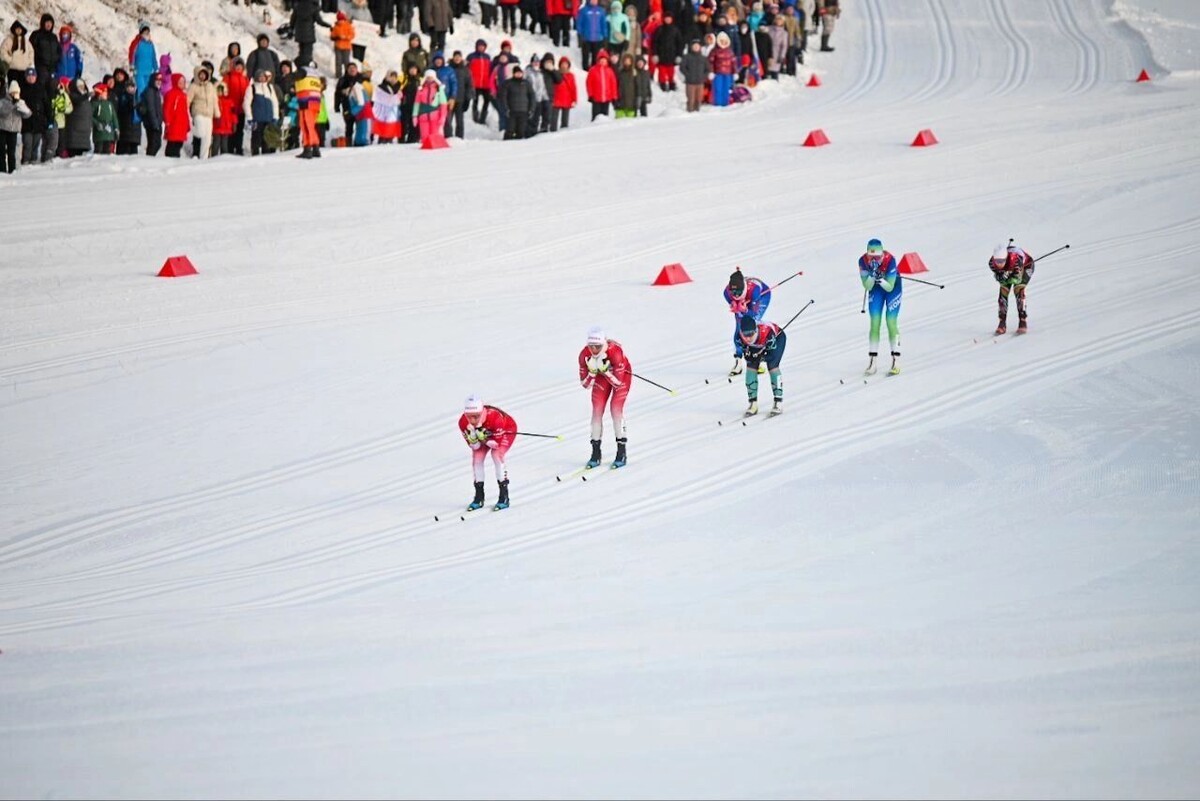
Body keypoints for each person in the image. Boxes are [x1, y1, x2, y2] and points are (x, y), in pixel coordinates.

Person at [578, 327, 631, 468]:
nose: (594, 350)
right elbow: (585, 384)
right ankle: (595, 453)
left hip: (621, 377)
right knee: (597, 411)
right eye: (591, 346)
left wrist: (606, 371)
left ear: (604, 344)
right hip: (602, 376)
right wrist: (593, 373)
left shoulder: (615, 352)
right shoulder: (584, 354)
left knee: (615, 410)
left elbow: (618, 382)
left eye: (598, 346)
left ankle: (621, 452)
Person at [458, 394, 516, 511]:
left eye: (476, 416)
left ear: (481, 412)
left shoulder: (495, 418)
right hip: (487, 435)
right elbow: (474, 447)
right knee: (477, 459)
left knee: (496, 455)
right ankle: (479, 497)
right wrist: (474, 438)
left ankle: (504, 497)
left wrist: (484, 438)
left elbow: (496, 444)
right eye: (469, 417)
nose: (472, 420)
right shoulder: (463, 422)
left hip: (506, 430)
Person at [859, 238, 902, 375]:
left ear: (882, 254)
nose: (873, 261)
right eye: (870, 257)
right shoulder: (862, 261)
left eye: (877, 257)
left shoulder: (890, 260)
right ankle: (873, 362)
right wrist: (872, 276)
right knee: (875, 323)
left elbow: (889, 287)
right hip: (876, 288)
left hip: (892, 287)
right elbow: (867, 286)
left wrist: (880, 278)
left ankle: (896, 360)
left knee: (891, 321)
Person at [737, 313, 786, 416]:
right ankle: (752, 403)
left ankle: (778, 402)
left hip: (777, 339)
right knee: (750, 368)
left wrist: (759, 356)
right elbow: (746, 355)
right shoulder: (740, 337)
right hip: (758, 345)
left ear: (756, 330)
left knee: (772, 366)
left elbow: (770, 356)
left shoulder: (766, 332)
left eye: (751, 334)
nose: (748, 338)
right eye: (745, 335)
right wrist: (751, 355)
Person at [724, 268, 769, 376]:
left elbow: (753, 313)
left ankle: (757, 360)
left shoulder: (754, 291)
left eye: (738, 292)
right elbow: (733, 298)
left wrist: (746, 310)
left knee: (752, 327)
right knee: (739, 328)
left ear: (743, 288)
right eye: (733, 292)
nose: (735, 294)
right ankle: (738, 362)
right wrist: (734, 304)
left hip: (761, 297)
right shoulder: (727, 293)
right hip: (745, 301)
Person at [989, 241, 1035, 334]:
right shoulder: (991, 263)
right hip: (1011, 270)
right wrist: (1002, 277)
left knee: (1018, 289)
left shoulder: (1016, 260)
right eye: (997, 261)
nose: (999, 264)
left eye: (1002, 261)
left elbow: (1016, 280)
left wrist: (1007, 275)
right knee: (1003, 291)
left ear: (1006, 258)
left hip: (1026, 266)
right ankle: (1002, 322)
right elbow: (1000, 279)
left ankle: (1022, 320)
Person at [0, 81, 31, 172]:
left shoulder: (20, 102)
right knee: (1, 151)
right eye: (13, 92)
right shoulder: (3, 101)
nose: (14, 94)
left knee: (11, 152)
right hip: (2, 129)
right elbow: (3, 113)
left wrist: (20, 106)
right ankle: (2, 170)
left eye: (16, 92)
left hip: (14, 130)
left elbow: (28, 114)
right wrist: (12, 105)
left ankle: (12, 170)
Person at [293, 66, 323, 158]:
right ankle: (315, 147)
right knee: (312, 126)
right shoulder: (315, 72)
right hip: (315, 101)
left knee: (306, 126)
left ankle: (307, 148)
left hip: (306, 102)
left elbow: (292, 77)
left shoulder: (303, 71)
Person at [586, 49, 617, 120]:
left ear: (607, 60)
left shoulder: (610, 71)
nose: (603, 61)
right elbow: (589, 83)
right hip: (596, 98)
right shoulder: (593, 70)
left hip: (607, 97)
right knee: (596, 116)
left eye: (604, 59)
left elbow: (613, 84)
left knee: (604, 117)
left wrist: (614, 96)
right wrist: (590, 95)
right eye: (601, 59)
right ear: (598, 60)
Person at [139, 72, 163, 155]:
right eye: (157, 80)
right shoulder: (150, 91)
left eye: (160, 80)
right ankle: (149, 160)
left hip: (156, 122)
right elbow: (151, 108)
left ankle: (150, 159)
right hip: (151, 123)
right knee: (153, 144)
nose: (159, 82)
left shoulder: (156, 92)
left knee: (157, 144)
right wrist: (155, 123)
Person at [680, 38, 707, 111]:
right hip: (690, 82)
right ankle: (690, 111)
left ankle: (697, 111)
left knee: (699, 98)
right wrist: (687, 75)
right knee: (691, 98)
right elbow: (682, 67)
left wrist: (704, 76)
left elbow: (707, 69)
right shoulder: (687, 57)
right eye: (694, 46)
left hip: (700, 82)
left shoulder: (703, 58)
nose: (696, 47)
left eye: (697, 46)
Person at [551, 55, 576, 130]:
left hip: (567, 99)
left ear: (568, 65)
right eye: (563, 64)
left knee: (565, 119)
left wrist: (574, 99)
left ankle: (564, 132)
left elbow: (573, 88)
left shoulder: (571, 75)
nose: (564, 65)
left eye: (566, 64)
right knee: (554, 118)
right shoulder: (556, 74)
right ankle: (553, 130)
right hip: (556, 98)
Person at [330, 11, 355, 77]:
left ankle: (345, 75)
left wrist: (344, 37)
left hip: (343, 47)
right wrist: (337, 37)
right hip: (341, 47)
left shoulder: (347, 25)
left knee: (342, 62)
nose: (341, 21)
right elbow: (332, 36)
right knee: (342, 62)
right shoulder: (337, 26)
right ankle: (339, 75)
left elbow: (352, 35)